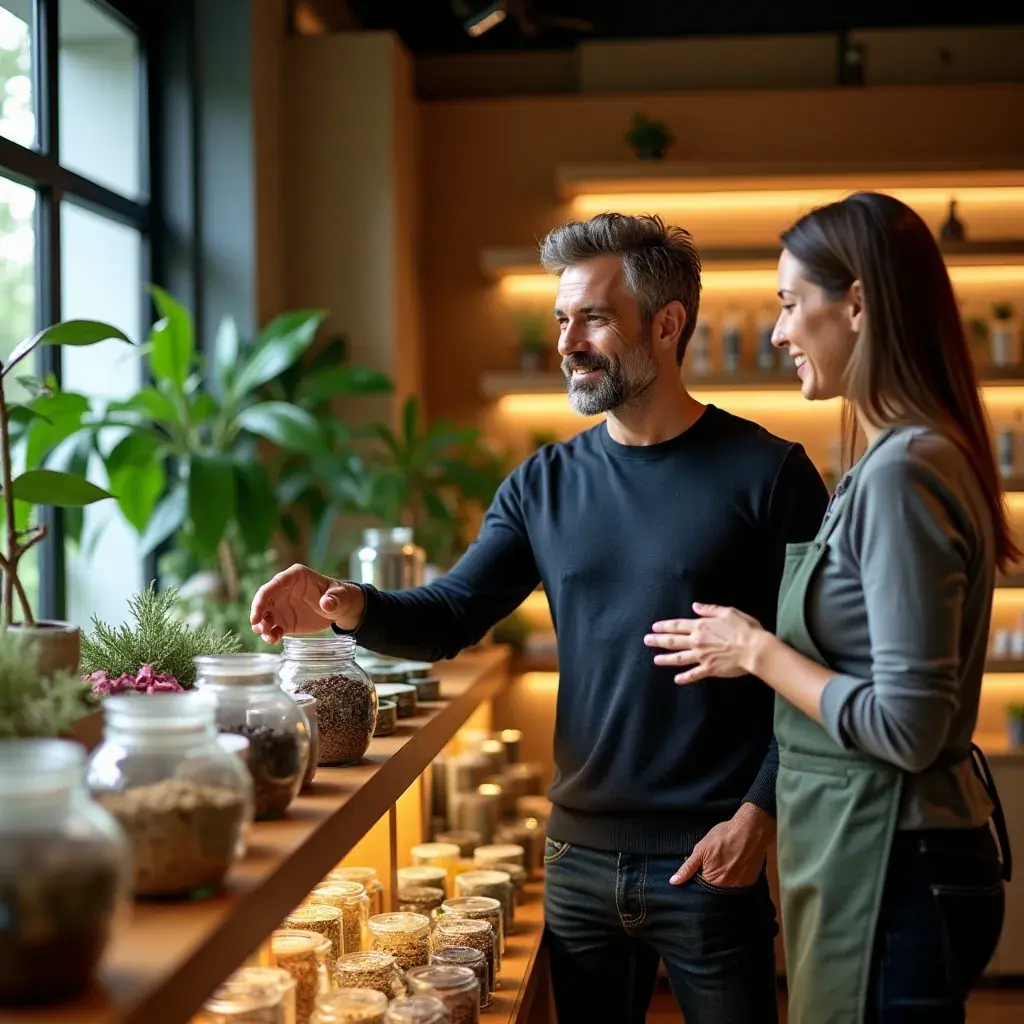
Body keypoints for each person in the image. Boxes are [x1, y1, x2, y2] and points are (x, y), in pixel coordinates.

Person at [250, 213, 828, 1023]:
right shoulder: (542, 485)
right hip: (578, 862)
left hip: (711, 859)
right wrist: (349, 606)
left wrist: (758, 816)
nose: (567, 343)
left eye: (592, 317)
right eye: (562, 319)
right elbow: (453, 612)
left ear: (667, 325)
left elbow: (817, 662)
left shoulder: (771, 477)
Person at [645, 191, 1013, 1024]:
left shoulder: (904, 470)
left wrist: (756, 650)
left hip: (901, 861)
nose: (778, 332)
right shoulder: (895, 455)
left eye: (788, 303)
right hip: (888, 855)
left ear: (856, 305)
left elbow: (907, 725)